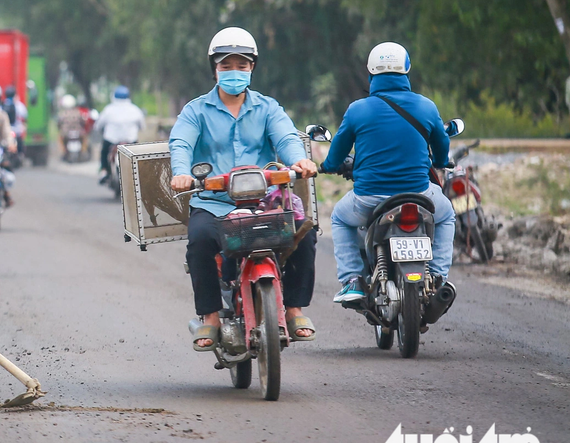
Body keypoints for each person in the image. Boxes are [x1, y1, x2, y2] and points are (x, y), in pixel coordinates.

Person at [169, 27, 319, 349]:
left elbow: (286, 137)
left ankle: (293, 308)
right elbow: (180, 142)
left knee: (304, 233)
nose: (234, 72)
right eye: (226, 66)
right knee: (199, 241)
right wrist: (181, 172)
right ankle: (210, 317)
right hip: (215, 202)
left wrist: (299, 161)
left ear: (252, 68)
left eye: (241, 65)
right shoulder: (196, 110)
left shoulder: (267, 108)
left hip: (265, 201)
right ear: (215, 70)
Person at [321, 42, 456, 304]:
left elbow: (337, 153)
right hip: (420, 194)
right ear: (406, 72)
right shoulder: (426, 107)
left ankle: (352, 280)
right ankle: (439, 276)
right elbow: (442, 148)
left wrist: (328, 165)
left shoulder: (357, 110)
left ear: (371, 74)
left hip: (369, 199)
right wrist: (441, 161)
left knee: (338, 217)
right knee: (447, 214)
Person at [95, 85, 146, 185]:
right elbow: (142, 126)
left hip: (111, 140)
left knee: (104, 152)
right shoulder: (135, 110)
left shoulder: (108, 110)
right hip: (130, 141)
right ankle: (140, 174)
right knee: (137, 156)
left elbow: (98, 125)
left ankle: (104, 171)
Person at [2, 85, 28, 160]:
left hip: (6, 131)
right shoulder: (19, 106)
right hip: (17, 130)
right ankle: (20, 154)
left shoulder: (2, 105)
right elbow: (24, 116)